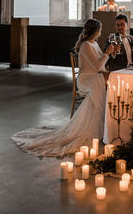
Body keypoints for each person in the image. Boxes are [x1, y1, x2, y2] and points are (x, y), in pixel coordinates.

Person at [11, 19, 115, 157]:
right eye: (100, 29)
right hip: (86, 79)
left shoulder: (94, 44)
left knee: (104, 79)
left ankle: (106, 125)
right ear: (95, 31)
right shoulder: (85, 46)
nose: (101, 32)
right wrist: (107, 53)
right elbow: (96, 67)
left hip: (94, 77)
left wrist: (109, 54)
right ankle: (98, 127)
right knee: (102, 81)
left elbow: (100, 65)